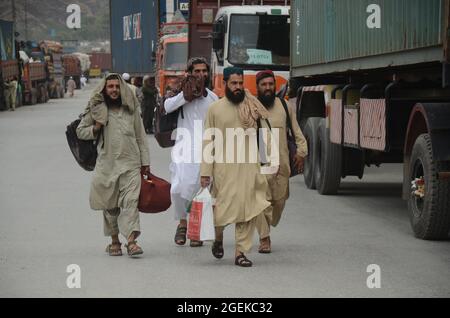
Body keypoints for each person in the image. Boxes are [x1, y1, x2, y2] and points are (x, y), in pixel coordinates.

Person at [200, 67, 271, 267]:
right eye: (234, 83)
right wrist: (205, 172)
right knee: (222, 211)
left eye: (241, 83)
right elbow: (208, 141)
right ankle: (219, 238)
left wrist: (268, 162)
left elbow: (266, 135)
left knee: (247, 210)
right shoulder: (215, 109)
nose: (238, 87)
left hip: (249, 167)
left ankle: (241, 252)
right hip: (224, 169)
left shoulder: (251, 106)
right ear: (225, 84)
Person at [76, 73, 151, 257]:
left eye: (117, 87)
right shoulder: (97, 110)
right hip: (107, 165)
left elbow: (140, 136)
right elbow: (80, 131)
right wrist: (96, 127)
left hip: (131, 163)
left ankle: (132, 242)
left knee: (130, 202)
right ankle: (115, 241)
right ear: (105, 89)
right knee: (110, 206)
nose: (114, 90)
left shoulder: (131, 108)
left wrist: (145, 162)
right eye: (110, 87)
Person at [164, 57, 218, 247]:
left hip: (205, 151)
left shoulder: (212, 98)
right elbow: (167, 107)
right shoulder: (180, 94)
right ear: (189, 73)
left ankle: (194, 230)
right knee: (178, 189)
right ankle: (182, 223)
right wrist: (184, 97)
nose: (201, 75)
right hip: (183, 150)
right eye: (197, 71)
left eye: (204, 71)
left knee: (199, 190)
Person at [254, 70, 308, 253]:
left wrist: (301, 152)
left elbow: (297, 131)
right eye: (264, 85)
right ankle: (264, 237)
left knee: (279, 202)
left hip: (282, 162)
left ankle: (268, 224)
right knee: (261, 201)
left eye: (270, 84)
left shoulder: (285, 106)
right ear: (258, 87)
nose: (268, 88)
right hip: (259, 160)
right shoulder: (251, 107)